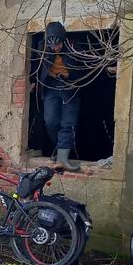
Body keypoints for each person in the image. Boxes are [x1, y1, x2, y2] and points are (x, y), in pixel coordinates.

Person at [38, 22, 83, 172]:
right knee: (50, 121)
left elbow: (86, 66)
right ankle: (59, 149)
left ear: (63, 40)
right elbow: (35, 65)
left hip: (69, 86)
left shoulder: (74, 47)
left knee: (68, 122)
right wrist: (33, 81)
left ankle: (62, 158)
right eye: (52, 45)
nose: (55, 48)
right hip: (51, 85)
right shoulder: (42, 46)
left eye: (58, 44)